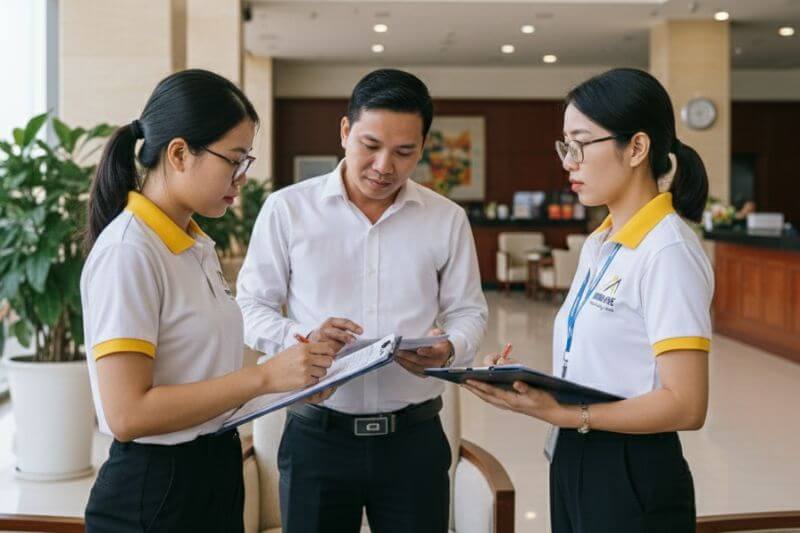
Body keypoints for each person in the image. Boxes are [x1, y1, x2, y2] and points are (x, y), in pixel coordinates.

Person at [81, 69, 337, 532]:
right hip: (155, 492)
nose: (240, 179)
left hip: (213, 468)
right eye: (233, 160)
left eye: (247, 162)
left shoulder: (194, 244)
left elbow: (202, 379)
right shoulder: (129, 251)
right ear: (179, 153)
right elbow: (127, 414)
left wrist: (288, 381)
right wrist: (261, 377)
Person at [236, 68, 488, 532]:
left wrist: (449, 348)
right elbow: (251, 308)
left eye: (404, 152)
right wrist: (302, 340)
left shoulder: (446, 218)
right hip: (317, 437)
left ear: (423, 147)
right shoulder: (288, 209)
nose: (384, 166)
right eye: (370, 146)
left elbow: (469, 311)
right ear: (345, 130)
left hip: (413, 441)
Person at [465, 68, 712, 533]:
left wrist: (565, 413)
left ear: (636, 148)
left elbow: (686, 404)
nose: (568, 162)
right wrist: (530, 386)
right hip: (577, 451)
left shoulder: (668, 250)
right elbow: (604, 361)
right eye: (564, 146)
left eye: (579, 144)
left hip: (631, 467)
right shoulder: (601, 243)